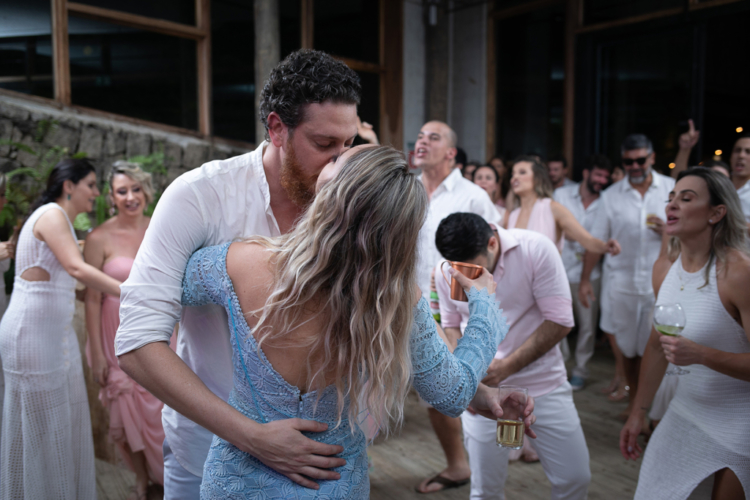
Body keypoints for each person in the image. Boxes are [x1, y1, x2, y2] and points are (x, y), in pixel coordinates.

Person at [181, 145, 532, 498]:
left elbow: (168, 286)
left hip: (238, 475)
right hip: (332, 478)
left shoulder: (242, 262)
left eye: (336, 160)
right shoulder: (394, 299)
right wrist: (484, 304)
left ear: (333, 194)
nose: (332, 154)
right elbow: (451, 393)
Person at [116, 49, 366, 499]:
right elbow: (137, 342)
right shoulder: (198, 196)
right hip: (204, 452)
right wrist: (253, 437)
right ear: (276, 128)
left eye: (349, 145)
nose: (339, 164)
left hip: (322, 464)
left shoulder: (348, 204)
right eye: (325, 145)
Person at [436, 213, 591, 500]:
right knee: (485, 490)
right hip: (484, 390)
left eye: (473, 269)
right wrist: (466, 376)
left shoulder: (536, 248)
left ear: (492, 243)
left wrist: (506, 367)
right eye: (456, 269)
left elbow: (560, 320)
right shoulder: (446, 268)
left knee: (575, 477)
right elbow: (451, 324)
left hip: (543, 383)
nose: (463, 277)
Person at [621, 167, 750, 499]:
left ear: (717, 213)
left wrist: (702, 355)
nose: (672, 205)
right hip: (686, 411)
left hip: (740, 423)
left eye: (686, 198)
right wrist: (639, 412)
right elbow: (655, 345)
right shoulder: (664, 269)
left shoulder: (738, 273)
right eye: (671, 198)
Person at [0, 159, 122, 499]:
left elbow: (70, 282)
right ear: (69, 186)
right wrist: (131, 292)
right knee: (40, 432)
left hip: (53, 336)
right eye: (91, 184)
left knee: (58, 427)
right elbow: (75, 268)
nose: (97, 193)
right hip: (32, 337)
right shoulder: (52, 215)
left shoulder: (60, 220)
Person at [411, 120, 502, 493]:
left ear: (451, 152)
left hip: (455, 303)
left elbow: (491, 253)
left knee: (450, 384)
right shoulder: (408, 190)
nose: (422, 142)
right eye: (419, 136)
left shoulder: (472, 195)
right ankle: (459, 463)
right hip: (411, 300)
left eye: (433, 137)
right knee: (430, 392)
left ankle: (473, 467)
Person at [84, 162, 168, 500]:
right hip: (113, 331)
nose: (131, 197)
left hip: (159, 326)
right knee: (126, 406)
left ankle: (168, 476)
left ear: (147, 193)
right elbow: (91, 298)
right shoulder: (98, 237)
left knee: (164, 405)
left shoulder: (161, 227)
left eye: (136, 189)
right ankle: (140, 480)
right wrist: (97, 352)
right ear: (112, 197)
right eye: (123, 191)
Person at [580, 134, 675, 423]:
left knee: (657, 352)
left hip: (660, 287)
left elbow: (691, 234)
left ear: (652, 158)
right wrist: (585, 279)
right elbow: (596, 241)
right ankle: (636, 409)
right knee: (629, 353)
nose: (634, 166)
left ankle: (655, 414)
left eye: (640, 160)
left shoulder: (671, 189)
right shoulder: (611, 196)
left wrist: (668, 232)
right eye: (628, 161)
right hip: (621, 285)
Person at [553, 155, 614, 391]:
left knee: (587, 327)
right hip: (560, 270)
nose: (602, 181)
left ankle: (580, 370)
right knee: (558, 321)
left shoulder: (607, 201)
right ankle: (561, 367)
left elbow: (599, 239)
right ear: (587, 173)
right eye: (598, 175)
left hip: (591, 273)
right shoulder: (562, 195)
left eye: (606, 177)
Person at [505, 156, 620, 257]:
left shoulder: (552, 208)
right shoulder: (513, 215)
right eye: (513, 174)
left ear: (537, 178)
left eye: (522, 172)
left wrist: (605, 246)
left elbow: (586, 239)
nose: (514, 178)